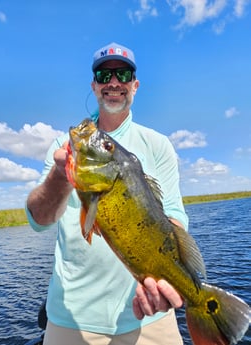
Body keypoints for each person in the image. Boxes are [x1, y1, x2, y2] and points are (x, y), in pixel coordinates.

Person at [26, 42, 189, 345]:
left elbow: (174, 218)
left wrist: (164, 279)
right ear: (94, 85)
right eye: (104, 75)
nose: (114, 82)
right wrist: (61, 175)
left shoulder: (158, 144)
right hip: (71, 317)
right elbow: (39, 220)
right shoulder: (63, 146)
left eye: (122, 74)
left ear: (135, 85)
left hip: (149, 316)